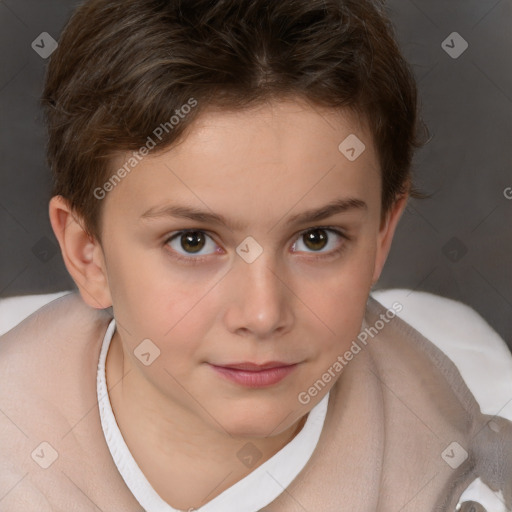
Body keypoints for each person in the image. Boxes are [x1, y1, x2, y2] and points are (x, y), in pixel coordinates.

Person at [0, 0, 511, 510]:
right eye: (192, 241)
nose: (263, 315)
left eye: (317, 238)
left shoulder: (451, 471)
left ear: (380, 237)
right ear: (89, 255)